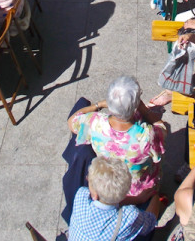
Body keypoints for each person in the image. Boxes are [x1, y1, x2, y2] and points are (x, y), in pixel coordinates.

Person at [67, 76, 167, 205]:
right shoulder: (147, 135)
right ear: (135, 106)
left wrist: (98, 105)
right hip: (138, 188)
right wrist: (144, 110)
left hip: (112, 183)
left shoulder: (95, 122)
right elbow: (163, 130)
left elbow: (72, 121)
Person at [63, 157, 159, 241]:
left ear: (94, 194)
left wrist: (137, 199)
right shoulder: (128, 217)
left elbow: (106, 200)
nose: (86, 179)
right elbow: (151, 220)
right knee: (144, 230)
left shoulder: (81, 195)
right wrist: (155, 196)